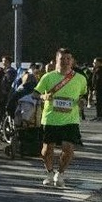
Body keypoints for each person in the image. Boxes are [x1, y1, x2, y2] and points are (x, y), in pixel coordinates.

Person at [34, 48, 89, 188]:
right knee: (47, 149)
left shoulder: (80, 78)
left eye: (68, 59)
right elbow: (35, 94)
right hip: (51, 118)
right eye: (62, 59)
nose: (65, 61)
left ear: (72, 61)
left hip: (70, 119)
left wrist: (83, 100)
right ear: (56, 60)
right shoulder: (48, 77)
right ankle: (49, 172)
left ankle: (60, 174)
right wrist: (44, 96)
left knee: (68, 149)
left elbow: (84, 94)